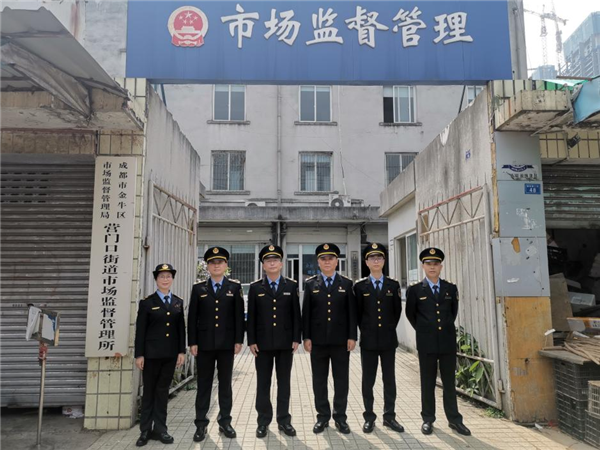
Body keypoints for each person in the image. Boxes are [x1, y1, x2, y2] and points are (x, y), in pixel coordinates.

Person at [405, 248, 471, 436]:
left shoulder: (450, 288)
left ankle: (454, 420)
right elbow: (411, 314)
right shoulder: (415, 290)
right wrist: (425, 330)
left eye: (435, 264)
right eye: (428, 264)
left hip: (447, 342)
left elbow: (453, 312)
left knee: (449, 382)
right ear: (423, 266)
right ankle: (428, 419)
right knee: (427, 382)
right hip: (426, 343)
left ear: (441, 266)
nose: (432, 267)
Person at [188, 247, 245, 442]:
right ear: (208, 266)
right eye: (212, 263)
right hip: (204, 345)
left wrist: (238, 340)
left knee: (225, 385)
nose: (216, 265)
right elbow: (192, 317)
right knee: (204, 385)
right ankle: (201, 424)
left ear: (226, 265)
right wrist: (192, 342)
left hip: (226, 344)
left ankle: (225, 421)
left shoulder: (234, 287)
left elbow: (239, 316)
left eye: (220, 262)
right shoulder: (198, 289)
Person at [247, 244, 301, 438]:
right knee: (263, 383)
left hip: (285, 343)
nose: (272, 263)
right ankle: (263, 421)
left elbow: (296, 314)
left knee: (284, 383)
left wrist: (296, 338)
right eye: (268, 261)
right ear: (263, 265)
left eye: (275, 260)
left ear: (281, 263)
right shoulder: (255, 287)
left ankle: (284, 420)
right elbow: (251, 316)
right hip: (262, 344)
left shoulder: (291, 286)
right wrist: (251, 340)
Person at [302, 243, 357, 434]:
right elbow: (306, 313)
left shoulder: (346, 284)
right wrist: (306, 337)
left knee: (341, 380)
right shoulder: (311, 284)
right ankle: (322, 417)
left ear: (336, 262)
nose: (327, 262)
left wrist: (352, 336)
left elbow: (352, 313)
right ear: (318, 262)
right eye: (323, 259)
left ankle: (340, 417)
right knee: (319, 381)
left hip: (341, 341)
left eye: (330, 258)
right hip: (318, 341)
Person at [134, 263, 186, 447]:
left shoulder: (178, 302)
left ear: (172, 279)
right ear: (156, 280)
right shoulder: (147, 302)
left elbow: (181, 330)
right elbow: (140, 331)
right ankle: (145, 430)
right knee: (149, 392)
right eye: (162, 276)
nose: (165, 279)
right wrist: (139, 355)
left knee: (163, 392)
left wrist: (181, 351)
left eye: (168, 276)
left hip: (169, 355)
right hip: (151, 356)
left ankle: (160, 429)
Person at [354, 243, 404, 434]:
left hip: (388, 340)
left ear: (384, 261)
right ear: (366, 262)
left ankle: (389, 417)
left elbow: (396, 312)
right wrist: (367, 330)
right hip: (368, 341)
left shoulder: (393, 285)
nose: (376, 261)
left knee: (389, 379)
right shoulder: (360, 286)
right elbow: (358, 314)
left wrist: (387, 328)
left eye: (379, 257)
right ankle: (369, 417)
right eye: (372, 258)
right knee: (368, 380)